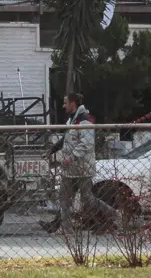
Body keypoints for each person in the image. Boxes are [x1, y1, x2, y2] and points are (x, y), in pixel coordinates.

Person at [42, 92, 116, 234]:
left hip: (83, 168)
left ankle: (114, 216)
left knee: (87, 199)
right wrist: (52, 150)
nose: (63, 106)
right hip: (70, 169)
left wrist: (72, 157)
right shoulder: (72, 121)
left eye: (65, 103)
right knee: (64, 198)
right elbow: (66, 139)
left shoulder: (85, 121)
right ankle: (66, 229)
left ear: (72, 104)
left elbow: (86, 143)